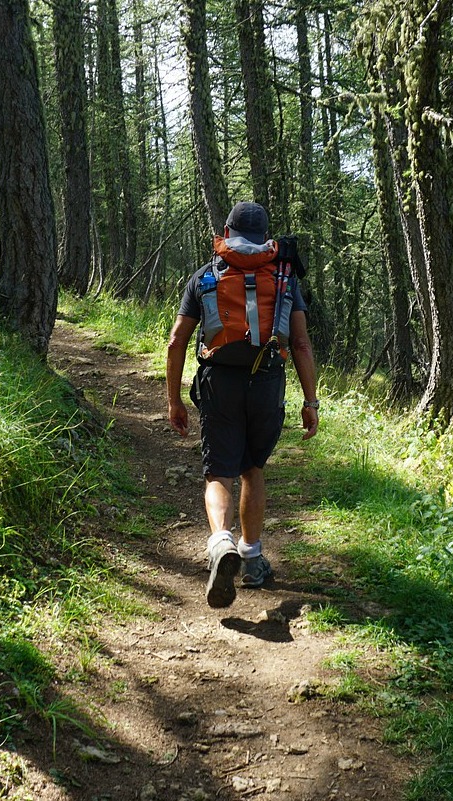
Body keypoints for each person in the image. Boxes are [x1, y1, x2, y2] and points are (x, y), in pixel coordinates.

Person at [165, 201, 320, 609]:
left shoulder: (206, 276)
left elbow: (176, 341)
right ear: (265, 236)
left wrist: (174, 400)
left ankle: (221, 543)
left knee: (219, 471)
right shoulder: (285, 277)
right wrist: (310, 400)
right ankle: (251, 557)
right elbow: (301, 343)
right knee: (253, 468)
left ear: (227, 231)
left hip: (220, 382)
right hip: (267, 380)